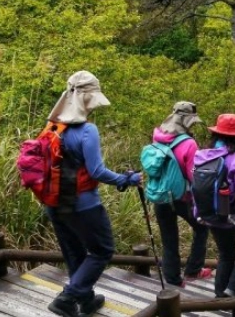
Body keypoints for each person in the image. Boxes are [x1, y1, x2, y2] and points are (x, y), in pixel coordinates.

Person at [45, 71, 143, 317]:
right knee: (102, 250)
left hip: (54, 203)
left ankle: (85, 300)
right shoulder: (88, 130)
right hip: (82, 204)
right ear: (88, 99)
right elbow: (96, 170)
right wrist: (126, 179)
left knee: (74, 252)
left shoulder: (53, 127)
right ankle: (67, 298)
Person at [193, 114, 235, 298]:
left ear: (215, 134)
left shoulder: (200, 156)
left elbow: (195, 188)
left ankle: (220, 294)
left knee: (226, 254)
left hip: (209, 215)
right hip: (233, 216)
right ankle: (234, 287)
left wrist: (198, 212)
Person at [150, 101, 212, 287]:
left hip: (161, 195)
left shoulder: (158, 137)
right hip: (181, 198)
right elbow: (194, 176)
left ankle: (173, 280)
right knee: (202, 227)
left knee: (169, 239)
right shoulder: (189, 143)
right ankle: (193, 270)